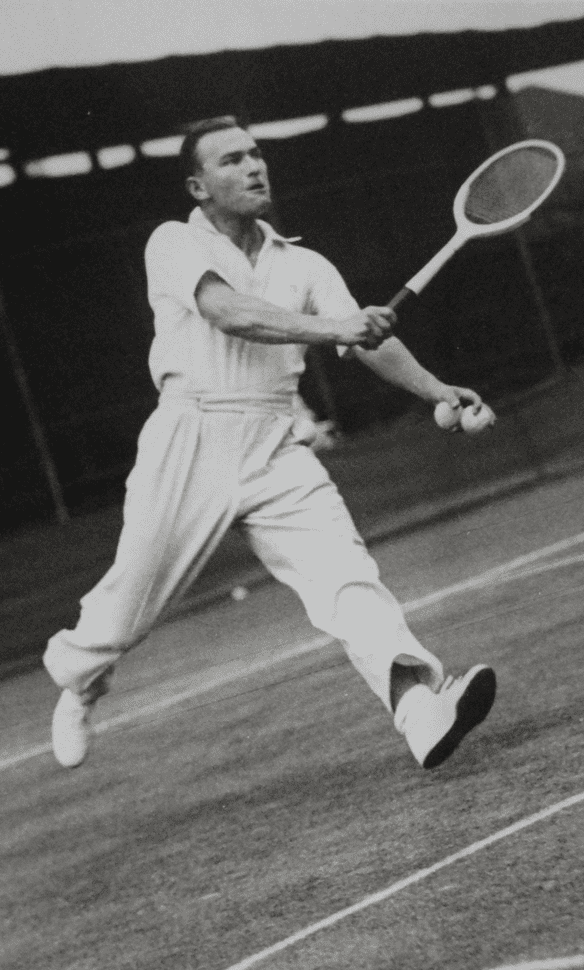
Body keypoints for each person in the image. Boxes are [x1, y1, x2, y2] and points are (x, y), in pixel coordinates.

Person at [43, 116, 497, 771]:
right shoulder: (171, 242)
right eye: (232, 160)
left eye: (256, 154)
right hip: (189, 438)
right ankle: (78, 680)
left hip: (277, 445)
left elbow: (367, 341)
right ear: (199, 186)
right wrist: (336, 324)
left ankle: (421, 710)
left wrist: (437, 390)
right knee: (124, 617)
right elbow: (231, 313)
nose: (254, 167)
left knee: (349, 583)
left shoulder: (304, 262)